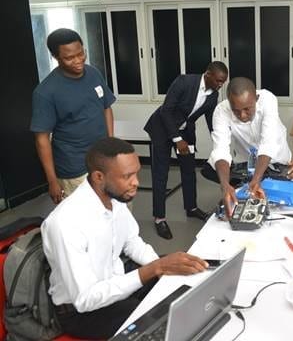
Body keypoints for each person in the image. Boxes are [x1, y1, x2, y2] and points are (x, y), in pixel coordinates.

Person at [41, 137, 209, 339]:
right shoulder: (65, 223)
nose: (136, 182)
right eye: (127, 176)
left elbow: (132, 242)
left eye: (136, 173)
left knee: (182, 274)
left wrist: (161, 266)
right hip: (83, 311)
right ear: (98, 177)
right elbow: (85, 299)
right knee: (159, 320)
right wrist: (153, 270)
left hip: (116, 283)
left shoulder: (115, 199)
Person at [144, 62, 228, 239]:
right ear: (208, 74)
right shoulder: (184, 82)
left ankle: (191, 208)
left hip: (185, 131)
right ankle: (159, 218)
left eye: (223, 82)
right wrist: (177, 139)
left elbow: (211, 120)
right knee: (161, 174)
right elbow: (166, 111)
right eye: (219, 80)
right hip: (162, 129)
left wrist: (221, 144)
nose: (221, 85)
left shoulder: (213, 95)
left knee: (189, 171)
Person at [30, 28, 115, 204]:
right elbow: (42, 139)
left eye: (80, 54)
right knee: (84, 219)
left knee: (112, 208)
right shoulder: (46, 92)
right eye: (69, 58)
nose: (78, 61)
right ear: (55, 57)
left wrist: (111, 142)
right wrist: (52, 180)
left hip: (102, 158)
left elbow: (106, 107)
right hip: (74, 167)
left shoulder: (93, 73)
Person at [201, 77, 292, 216]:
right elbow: (220, 150)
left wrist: (256, 180)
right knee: (245, 204)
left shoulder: (268, 99)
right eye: (236, 111)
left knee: (280, 205)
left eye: (247, 109)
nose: (242, 115)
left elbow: (267, 143)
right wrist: (225, 185)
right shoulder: (221, 111)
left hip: (278, 161)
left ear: (256, 98)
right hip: (247, 164)